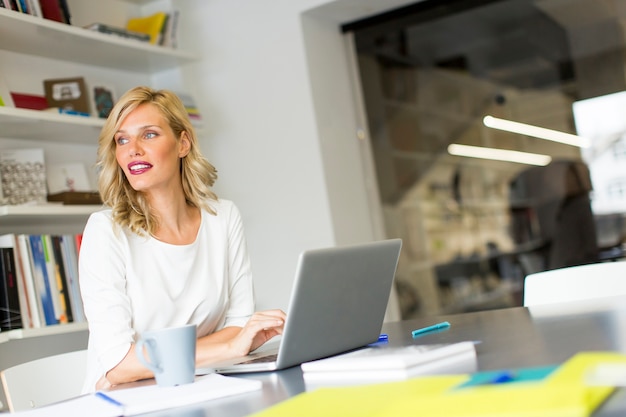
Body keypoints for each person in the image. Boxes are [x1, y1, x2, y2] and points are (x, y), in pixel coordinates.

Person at [78, 86, 286, 393]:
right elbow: (119, 366)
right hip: (128, 402)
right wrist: (228, 348)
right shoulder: (105, 230)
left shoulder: (223, 217)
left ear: (183, 143)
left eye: (148, 134)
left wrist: (147, 360)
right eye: (122, 139)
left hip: (205, 386)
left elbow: (239, 326)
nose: (132, 148)